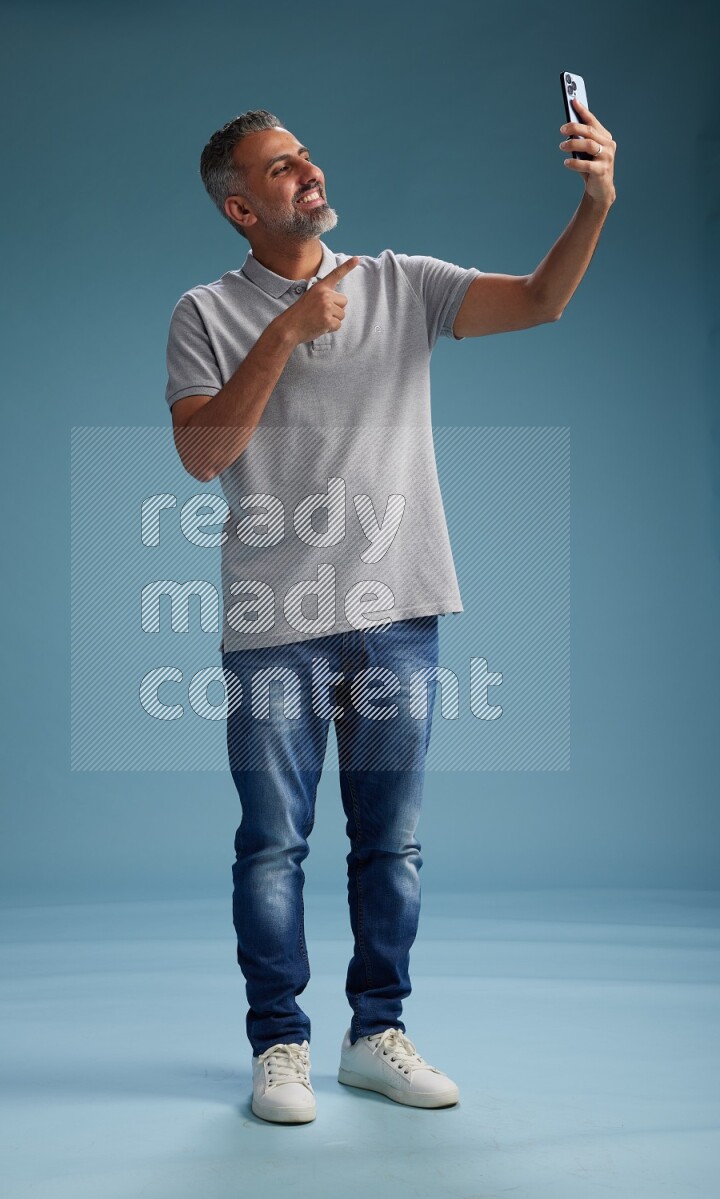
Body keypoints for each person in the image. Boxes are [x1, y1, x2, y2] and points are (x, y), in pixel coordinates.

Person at [165, 106, 616, 1124]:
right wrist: (285, 328)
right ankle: (279, 1045)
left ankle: (376, 1035)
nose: (307, 170)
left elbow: (542, 301)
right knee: (272, 844)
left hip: (399, 609)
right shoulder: (204, 310)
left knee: (391, 843)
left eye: (305, 154)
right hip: (273, 621)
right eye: (279, 168)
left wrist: (594, 202)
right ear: (241, 207)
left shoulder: (401, 282)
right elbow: (202, 456)